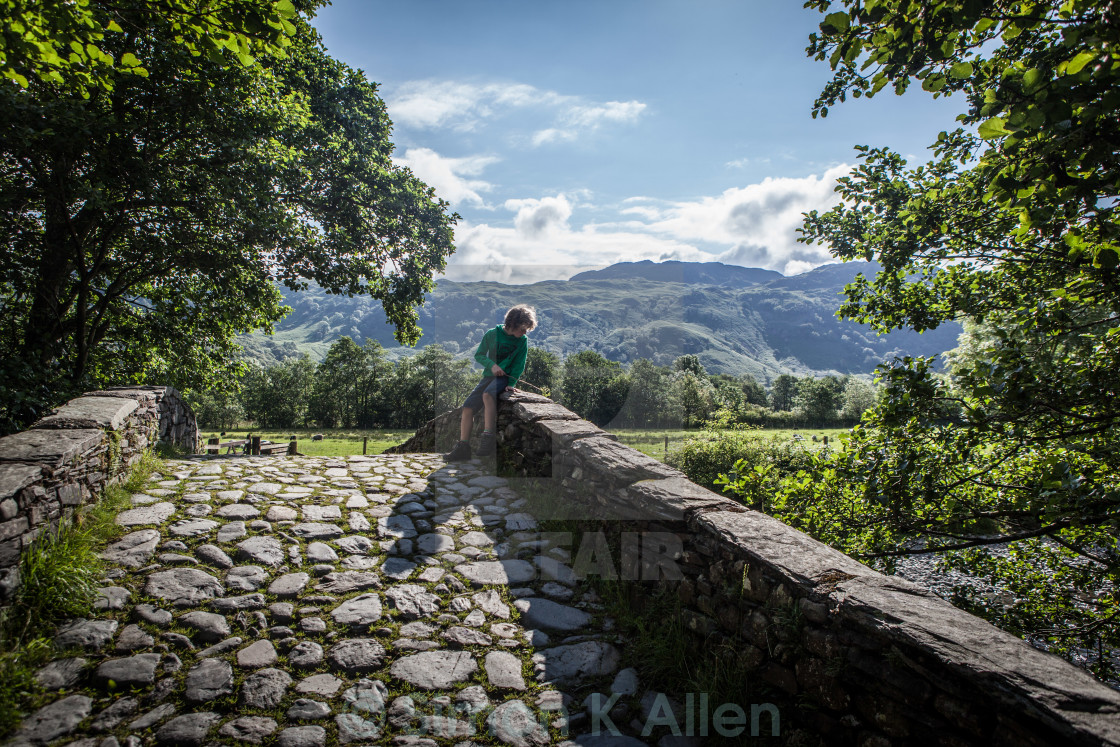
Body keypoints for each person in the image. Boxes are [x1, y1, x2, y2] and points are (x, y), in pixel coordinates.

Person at [445, 305, 537, 461]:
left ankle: (488, 437)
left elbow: (519, 364)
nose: (524, 332)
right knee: (467, 408)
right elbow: (479, 355)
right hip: (489, 376)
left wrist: (512, 383)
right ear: (512, 324)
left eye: (527, 330)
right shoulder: (492, 334)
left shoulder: (522, 341)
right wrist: (492, 365)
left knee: (488, 395)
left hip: (504, 378)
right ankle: (463, 448)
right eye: (523, 329)